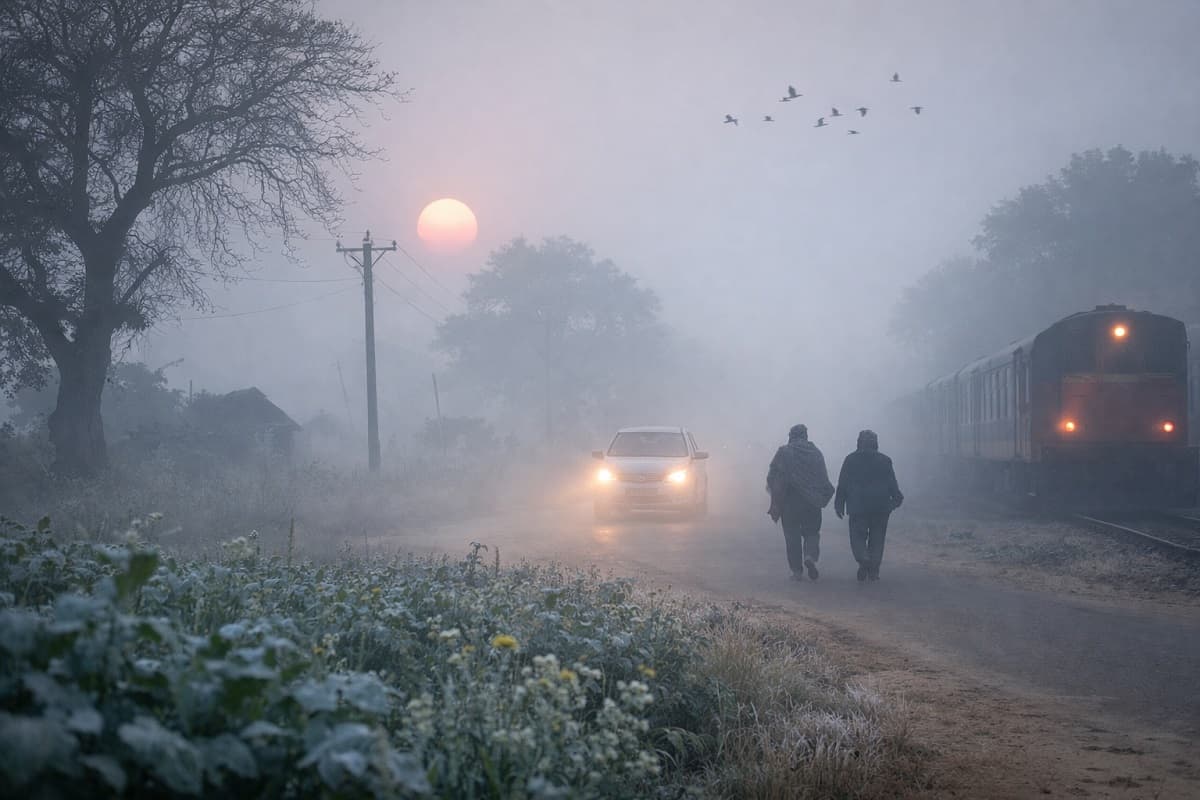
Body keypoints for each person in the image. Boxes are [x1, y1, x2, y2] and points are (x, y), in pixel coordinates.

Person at [766, 424, 835, 581]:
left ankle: (797, 571)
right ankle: (810, 556)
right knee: (812, 532)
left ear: (791, 436)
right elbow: (823, 478)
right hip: (812, 502)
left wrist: (775, 496)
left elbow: (771, 476)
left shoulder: (783, 452)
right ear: (805, 436)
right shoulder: (816, 453)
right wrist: (822, 496)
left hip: (790, 502)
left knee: (792, 536)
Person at [834, 429, 903, 582]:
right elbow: (892, 484)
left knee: (857, 536)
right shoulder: (885, 460)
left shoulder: (850, 460)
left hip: (857, 506)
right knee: (877, 539)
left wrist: (839, 504)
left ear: (859, 443)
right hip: (881, 507)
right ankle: (874, 571)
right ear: (875, 443)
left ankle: (863, 557)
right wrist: (895, 500)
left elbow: (842, 484)